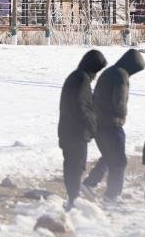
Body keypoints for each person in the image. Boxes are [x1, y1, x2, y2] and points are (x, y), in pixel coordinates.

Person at [85, 49, 145, 201]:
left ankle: (89, 184)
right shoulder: (121, 75)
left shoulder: (111, 71)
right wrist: (122, 115)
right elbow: (119, 101)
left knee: (109, 156)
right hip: (111, 123)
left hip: (99, 121)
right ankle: (112, 195)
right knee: (119, 160)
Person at [57, 49, 108, 210]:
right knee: (75, 166)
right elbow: (80, 106)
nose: (96, 74)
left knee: (74, 166)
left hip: (71, 130)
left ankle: (73, 199)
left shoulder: (78, 76)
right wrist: (92, 125)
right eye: (97, 70)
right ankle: (73, 200)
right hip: (75, 132)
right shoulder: (81, 79)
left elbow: (84, 103)